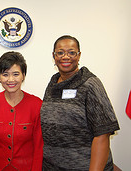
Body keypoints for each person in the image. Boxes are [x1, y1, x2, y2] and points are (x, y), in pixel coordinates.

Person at [41, 35, 120, 171]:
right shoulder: (53, 83)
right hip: (52, 166)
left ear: (79, 56)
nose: (66, 57)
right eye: (60, 52)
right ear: (54, 56)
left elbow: (102, 133)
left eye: (72, 52)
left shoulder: (90, 84)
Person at [0, 51, 43, 171]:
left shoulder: (36, 104)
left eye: (16, 74)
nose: (10, 80)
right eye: (5, 74)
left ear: (23, 76)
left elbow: (39, 145)